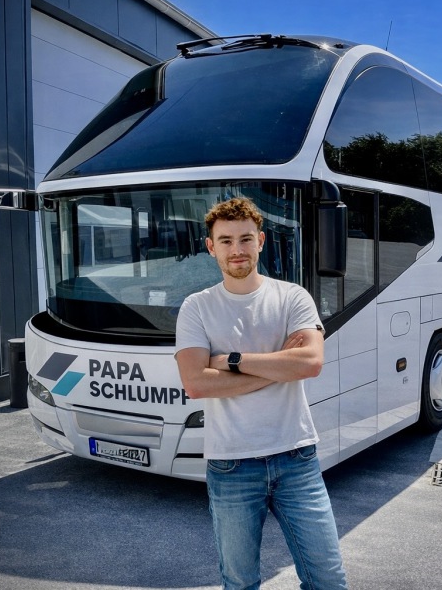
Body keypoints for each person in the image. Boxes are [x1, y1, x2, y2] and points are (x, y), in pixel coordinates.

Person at [175, 197, 348, 590]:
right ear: (211, 247)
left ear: (261, 241)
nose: (236, 249)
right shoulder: (196, 307)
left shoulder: (292, 297)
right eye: (226, 241)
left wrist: (230, 361)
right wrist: (278, 366)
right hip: (231, 465)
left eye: (245, 239)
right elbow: (196, 383)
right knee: (240, 583)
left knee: (328, 580)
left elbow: (310, 363)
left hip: (297, 458)